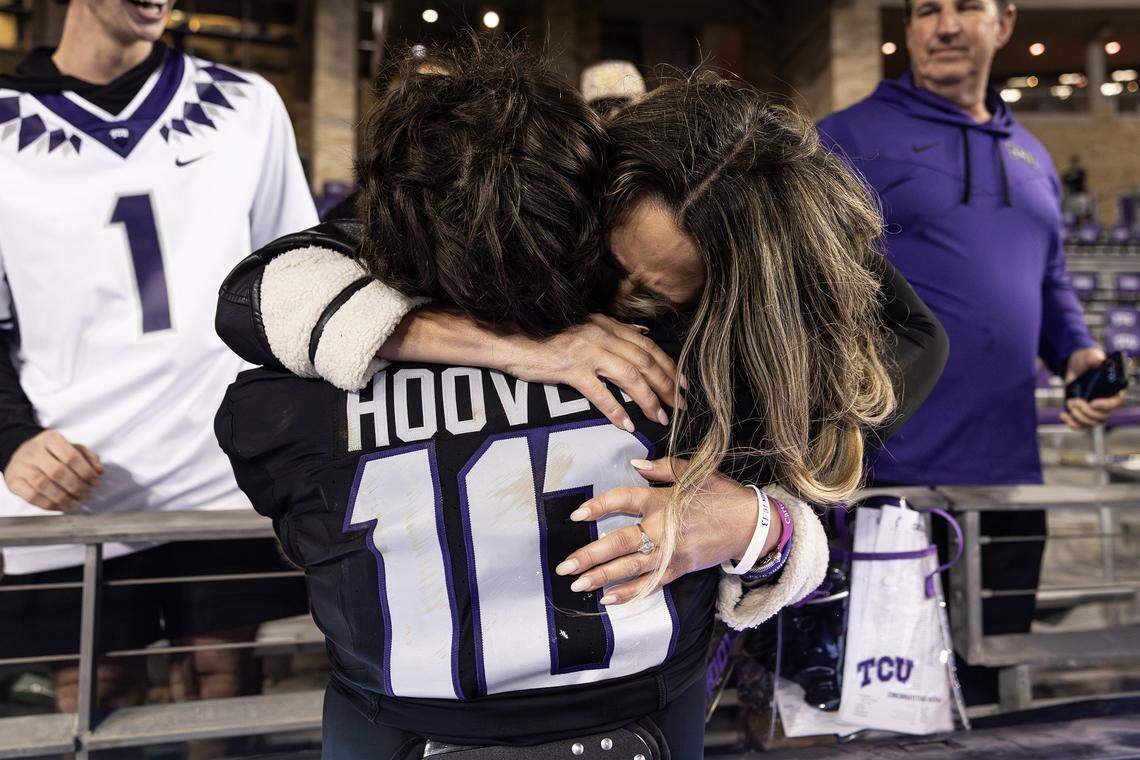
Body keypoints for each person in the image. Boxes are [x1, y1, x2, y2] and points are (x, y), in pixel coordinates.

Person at [216, 37, 946, 757]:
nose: (615, 296)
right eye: (606, 253)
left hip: (459, 711)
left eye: (657, 290)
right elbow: (263, 291)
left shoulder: (715, 357)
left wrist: (758, 519)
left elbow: (258, 334)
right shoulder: (639, 337)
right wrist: (517, 346)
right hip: (623, 706)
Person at [0, 0, 316, 736]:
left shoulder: (245, 104)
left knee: (221, 685)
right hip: (73, 474)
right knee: (90, 693)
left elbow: (297, 282)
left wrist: (296, 451)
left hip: (224, 468)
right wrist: (11, 439)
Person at [816, 0, 1123, 703]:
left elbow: (1049, 283)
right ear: (909, 29)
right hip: (887, 480)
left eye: (965, 8)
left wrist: (1076, 354)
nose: (944, 26)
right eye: (926, 11)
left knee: (988, 697)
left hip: (1007, 478)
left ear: (1005, 23)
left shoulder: (1034, 153)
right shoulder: (848, 136)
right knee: (879, 709)